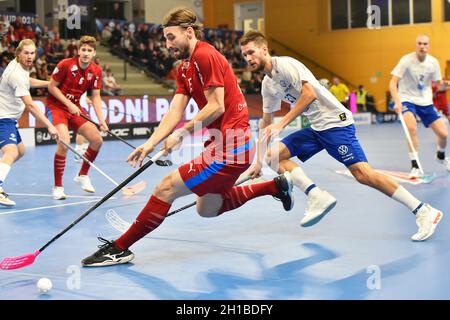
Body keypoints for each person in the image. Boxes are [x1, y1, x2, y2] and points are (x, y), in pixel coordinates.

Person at [81, 8, 294, 267]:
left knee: (165, 188)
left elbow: (217, 106)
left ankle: (120, 248)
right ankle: (274, 186)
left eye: (171, 37)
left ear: (189, 32)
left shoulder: (206, 55)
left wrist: (181, 133)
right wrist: (151, 144)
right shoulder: (184, 68)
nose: (167, 44)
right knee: (207, 209)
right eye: (165, 38)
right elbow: (175, 110)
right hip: (220, 145)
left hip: (231, 148)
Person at [239, 30, 443, 241]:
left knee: (364, 175)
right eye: (244, 55)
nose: (248, 58)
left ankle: (422, 210)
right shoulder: (267, 85)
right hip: (318, 127)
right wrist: (257, 162)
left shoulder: (286, 65)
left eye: (251, 52)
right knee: (273, 156)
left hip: (335, 122)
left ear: (264, 49)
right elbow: (265, 123)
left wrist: (281, 124)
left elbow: (309, 94)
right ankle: (316, 196)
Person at [47, 36, 108, 200]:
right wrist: (68, 103)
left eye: (89, 50)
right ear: (78, 50)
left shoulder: (96, 71)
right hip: (57, 107)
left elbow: (96, 97)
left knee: (97, 140)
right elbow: (51, 87)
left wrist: (101, 121)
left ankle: (82, 175)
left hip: (75, 109)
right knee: (64, 142)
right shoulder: (65, 64)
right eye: (83, 49)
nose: (86, 53)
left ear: (94, 53)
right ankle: (58, 187)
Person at [0, 39, 59, 206]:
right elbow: (31, 106)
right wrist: (50, 125)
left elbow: (28, 82)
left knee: (20, 151)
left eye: (32, 53)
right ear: (18, 54)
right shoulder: (16, 74)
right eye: (26, 53)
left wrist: (49, 84)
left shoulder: (19, 67)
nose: (30, 56)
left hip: (9, 119)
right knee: (11, 152)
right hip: (2, 118)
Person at [389, 34, 450, 177]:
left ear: (429, 46)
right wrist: (397, 101)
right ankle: (414, 165)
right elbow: (392, 82)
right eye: (419, 43)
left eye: (425, 44)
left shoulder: (433, 63)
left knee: (443, 134)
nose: (422, 46)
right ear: (416, 45)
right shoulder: (406, 60)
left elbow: (437, 83)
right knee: (411, 128)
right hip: (407, 99)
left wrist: (446, 84)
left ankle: (441, 156)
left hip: (426, 102)